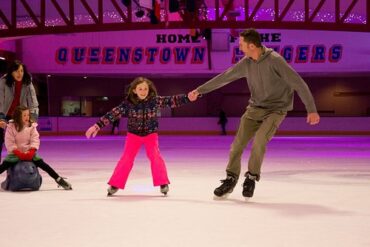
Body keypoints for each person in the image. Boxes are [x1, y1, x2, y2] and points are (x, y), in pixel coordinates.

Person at [188, 28, 320, 198]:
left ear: (251, 46)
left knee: (259, 141)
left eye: (241, 44)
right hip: (255, 108)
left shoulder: (275, 60)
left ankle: (251, 177)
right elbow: (225, 77)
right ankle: (231, 178)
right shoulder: (246, 62)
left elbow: (299, 84)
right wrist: (200, 90)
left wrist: (311, 109)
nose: (239, 47)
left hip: (276, 109)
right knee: (237, 145)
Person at [85, 77, 195, 196]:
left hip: (150, 135)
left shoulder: (154, 101)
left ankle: (163, 182)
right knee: (127, 158)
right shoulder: (128, 103)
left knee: (155, 156)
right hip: (133, 135)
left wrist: (187, 98)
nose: (143, 91)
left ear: (149, 90)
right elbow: (113, 113)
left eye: (145, 89)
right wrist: (97, 126)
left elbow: (171, 100)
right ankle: (115, 183)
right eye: (140, 89)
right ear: (134, 90)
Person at [0, 106, 72, 190]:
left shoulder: (32, 126)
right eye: (24, 115)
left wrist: (31, 151)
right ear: (18, 116)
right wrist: (18, 153)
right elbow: (9, 142)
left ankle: (59, 179)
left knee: (45, 166)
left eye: (28, 115)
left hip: (30, 153)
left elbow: (35, 140)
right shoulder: (11, 127)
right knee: (3, 166)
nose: (27, 117)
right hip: (15, 154)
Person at [0, 60, 39, 162]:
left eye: (21, 71)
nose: (19, 73)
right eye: (16, 71)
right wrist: (1, 118)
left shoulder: (27, 82)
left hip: (20, 115)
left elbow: (33, 101)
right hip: (4, 114)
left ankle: (23, 165)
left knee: (22, 139)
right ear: (11, 72)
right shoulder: (3, 81)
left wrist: (33, 118)